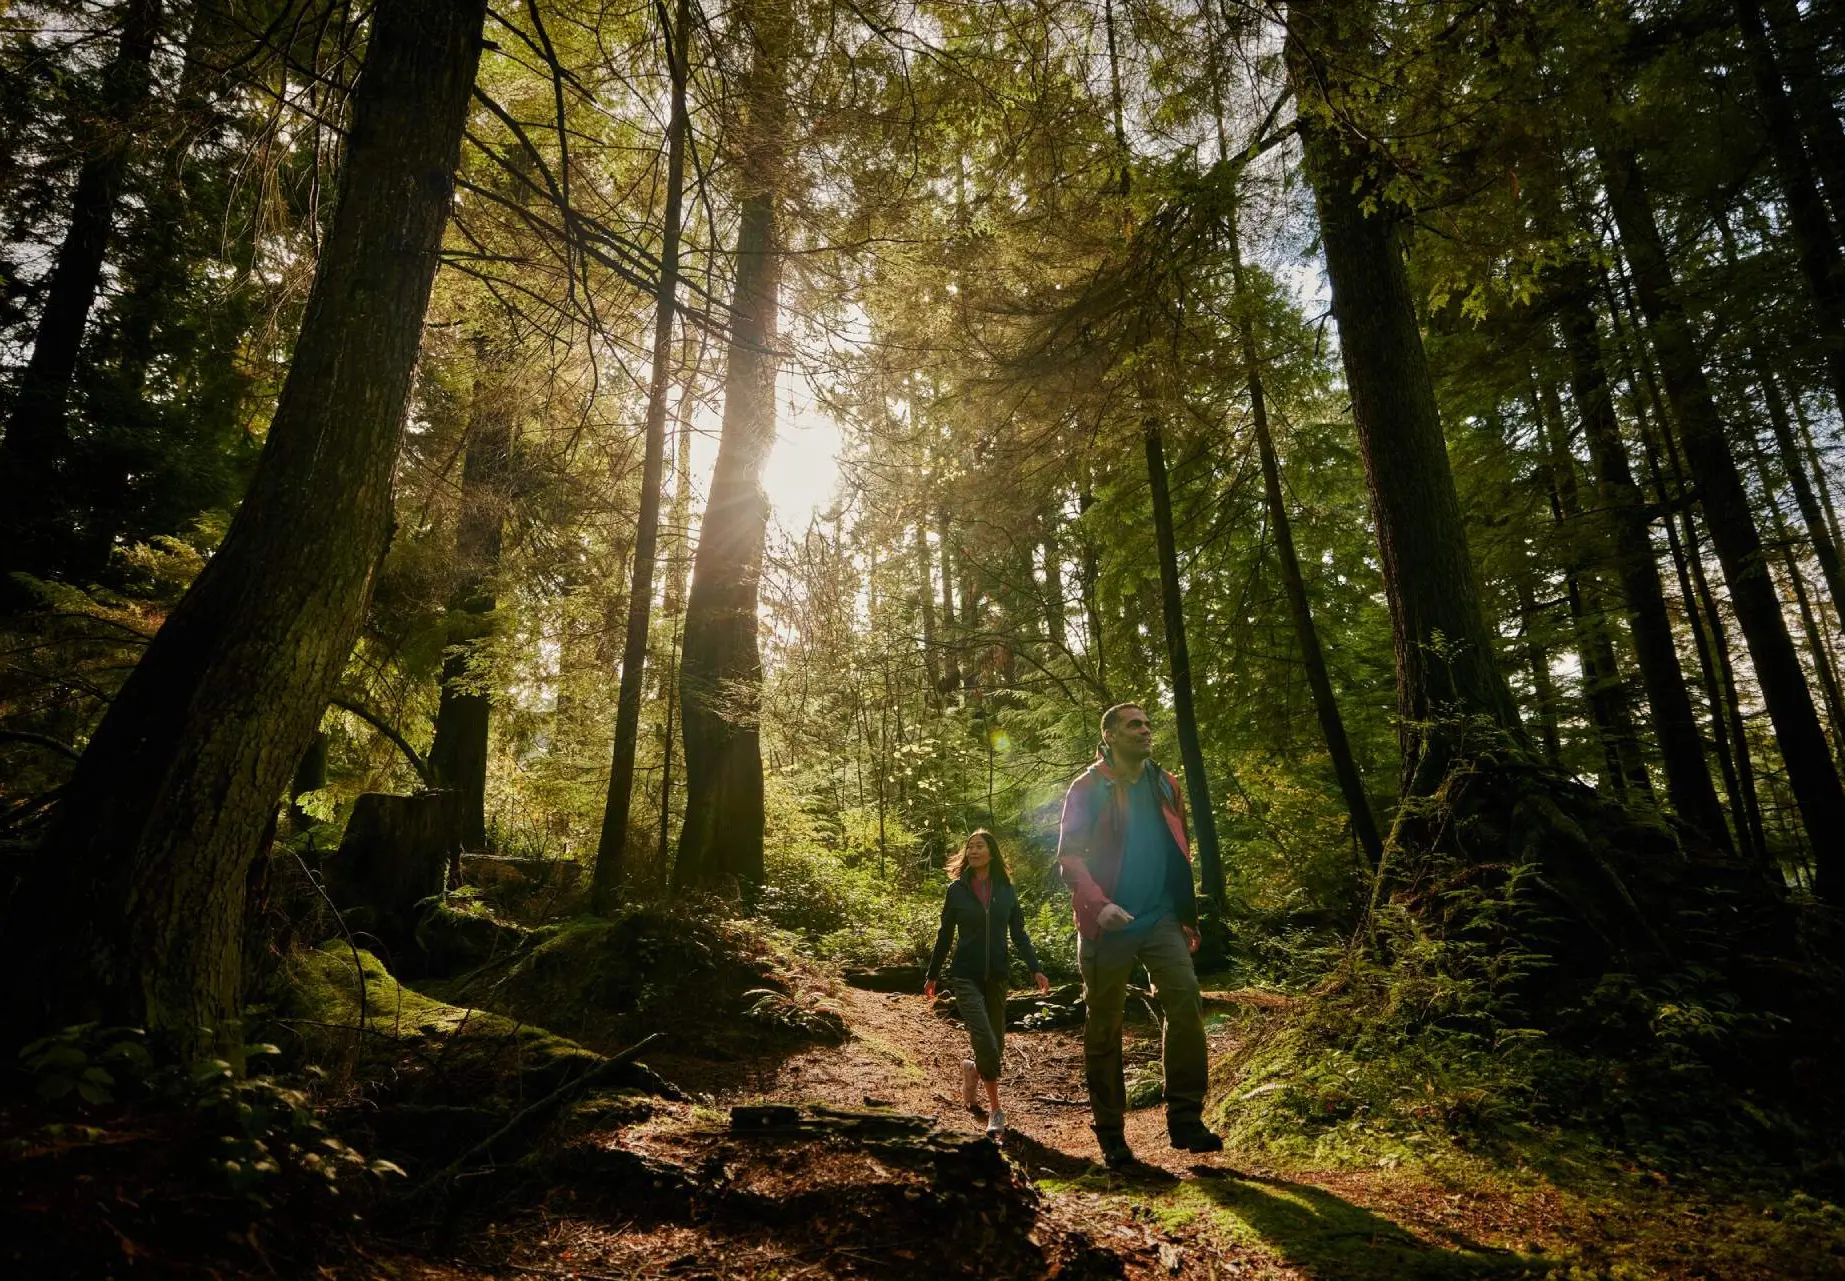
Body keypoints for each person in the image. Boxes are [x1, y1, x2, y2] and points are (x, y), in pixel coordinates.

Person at [1057, 702, 1222, 1168]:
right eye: (1134, 725)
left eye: (1148, 724)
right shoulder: (1088, 787)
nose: (1145, 731)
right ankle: (1111, 1133)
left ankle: (1186, 1119)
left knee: (1186, 1000)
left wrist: (1185, 915)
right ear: (1108, 735)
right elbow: (1069, 857)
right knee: (1105, 1024)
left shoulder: (1164, 783)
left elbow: (1178, 848)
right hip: (1107, 923)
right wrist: (1099, 904)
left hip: (1160, 917)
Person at [923, 828, 1051, 1138]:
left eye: (980, 846)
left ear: (991, 852)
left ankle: (973, 1069)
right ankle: (996, 1111)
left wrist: (1036, 969)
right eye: (970, 847)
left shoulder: (1006, 889)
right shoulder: (957, 890)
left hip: (997, 976)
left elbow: (1018, 933)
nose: (974, 851)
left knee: (996, 1046)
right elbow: (944, 934)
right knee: (986, 1042)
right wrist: (933, 974)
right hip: (965, 975)